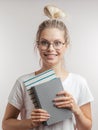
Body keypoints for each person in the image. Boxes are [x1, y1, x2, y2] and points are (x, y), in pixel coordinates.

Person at [2, 5, 93, 130]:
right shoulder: (23, 82)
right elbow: (6, 125)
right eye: (44, 42)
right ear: (38, 45)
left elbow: (87, 127)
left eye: (57, 43)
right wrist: (30, 122)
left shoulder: (79, 82)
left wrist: (76, 110)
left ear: (66, 45)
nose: (51, 49)